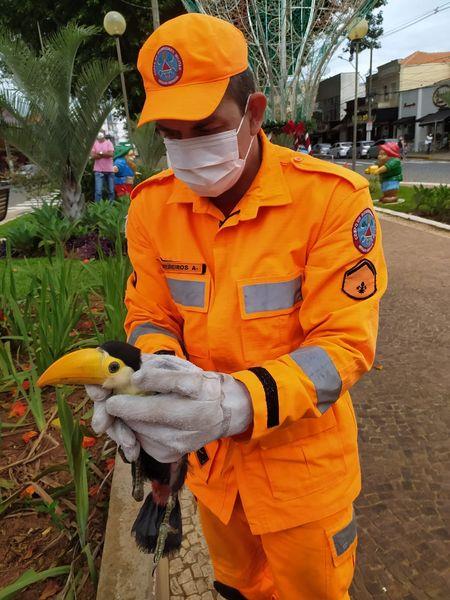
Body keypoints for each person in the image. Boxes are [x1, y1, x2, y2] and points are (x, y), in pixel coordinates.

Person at [88, 14, 387, 599]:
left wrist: (234, 401)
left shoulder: (329, 202)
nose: (187, 148)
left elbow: (342, 348)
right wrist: (157, 380)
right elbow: (151, 313)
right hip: (214, 474)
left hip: (302, 480)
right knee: (238, 590)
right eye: (171, 133)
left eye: (205, 126)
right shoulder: (152, 210)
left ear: (253, 112)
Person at [91, 131, 115, 202]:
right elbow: (93, 156)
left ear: (104, 135)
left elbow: (111, 154)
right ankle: (98, 207)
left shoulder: (109, 143)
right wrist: (105, 154)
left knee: (111, 190)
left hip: (110, 170)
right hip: (98, 170)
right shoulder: (94, 143)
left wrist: (99, 153)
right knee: (98, 191)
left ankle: (111, 205)